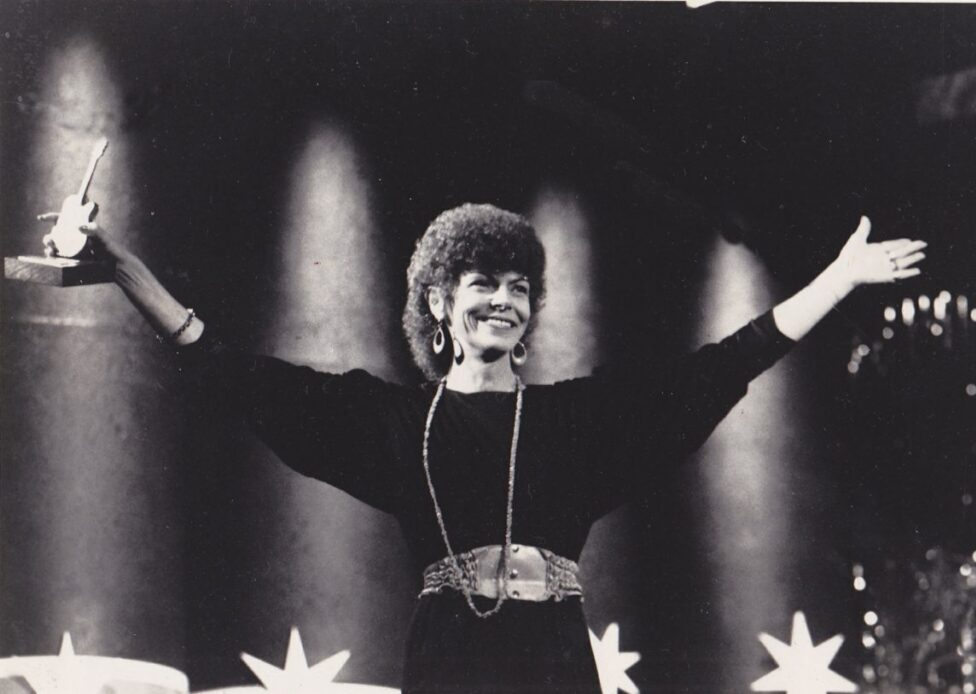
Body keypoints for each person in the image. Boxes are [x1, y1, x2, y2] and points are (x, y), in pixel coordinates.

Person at [78, 203, 924, 692]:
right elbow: (229, 371)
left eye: (520, 288)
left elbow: (722, 368)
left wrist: (837, 281)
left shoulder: (575, 422)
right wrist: (122, 267)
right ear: (439, 304)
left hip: (556, 655)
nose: (505, 302)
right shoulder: (393, 423)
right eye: (484, 284)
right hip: (449, 653)